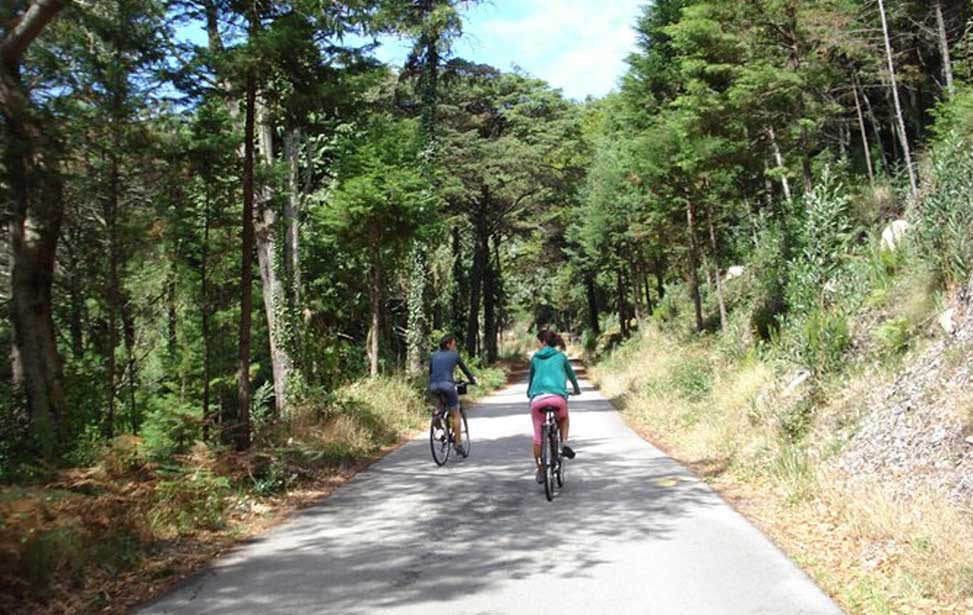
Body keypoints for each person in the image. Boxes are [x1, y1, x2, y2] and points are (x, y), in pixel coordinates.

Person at [527, 330, 581, 483]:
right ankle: (564, 444)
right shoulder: (561, 357)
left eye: (538, 341)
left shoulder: (535, 358)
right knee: (563, 419)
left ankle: (541, 470)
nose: (538, 345)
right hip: (558, 398)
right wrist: (576, 390)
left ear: (543, 342)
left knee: (538, 437)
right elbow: (572, 377)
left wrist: (530, 393)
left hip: (537, 399)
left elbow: (531, 380)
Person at [428, 335, 477, 452]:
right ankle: (458, 444)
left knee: (438, 407)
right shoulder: (454, 355)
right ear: (448, 344)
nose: (455, 347)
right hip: (448, 386)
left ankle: (439, 429)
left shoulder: (433, 355)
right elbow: (465, 370)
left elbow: (431, 372)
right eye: (454, 344)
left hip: (434, 386)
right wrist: (472, 380)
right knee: (456, 414)